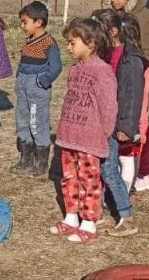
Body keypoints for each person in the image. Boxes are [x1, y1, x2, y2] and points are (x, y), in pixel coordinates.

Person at [49, 18, 117, 244]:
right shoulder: (74, 70)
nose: (68, 47)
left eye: (72, 43)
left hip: (90, 139)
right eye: (67, 43)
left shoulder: (103, 72)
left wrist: (104, 132)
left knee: (89, 180)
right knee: (69, 179)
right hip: (69, 136)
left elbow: (108, 107)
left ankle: (89, 221)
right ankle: (71, 218)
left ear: (91, 43)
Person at [91, 10, 148, 237]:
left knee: (110, 170)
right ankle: (111, 208)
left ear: (113, 32)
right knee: (104, 168)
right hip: (103, 120)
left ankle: (127, 217)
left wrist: (126, 127)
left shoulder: (130, 58)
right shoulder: (106, 54)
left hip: (116, 124)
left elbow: (132, 95)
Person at [107, 0, 149, 191]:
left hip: (138, 74)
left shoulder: (146, 18)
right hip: (118, 72)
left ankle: (140, 172)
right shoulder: (115, 16)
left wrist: (138, 70)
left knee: (136, 122)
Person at [13, 1, 62, 176]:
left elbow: (56, 67)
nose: (22, 25)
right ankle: (26, 159)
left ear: (38, 22)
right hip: (23, 87)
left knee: (37, 122)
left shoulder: (49, 43)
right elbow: (23, 62)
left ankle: (41, 162)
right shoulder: (28, 41)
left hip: (37, 87)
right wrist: (19, 78)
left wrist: (43, 81)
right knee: (22, 121)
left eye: (25, 22)